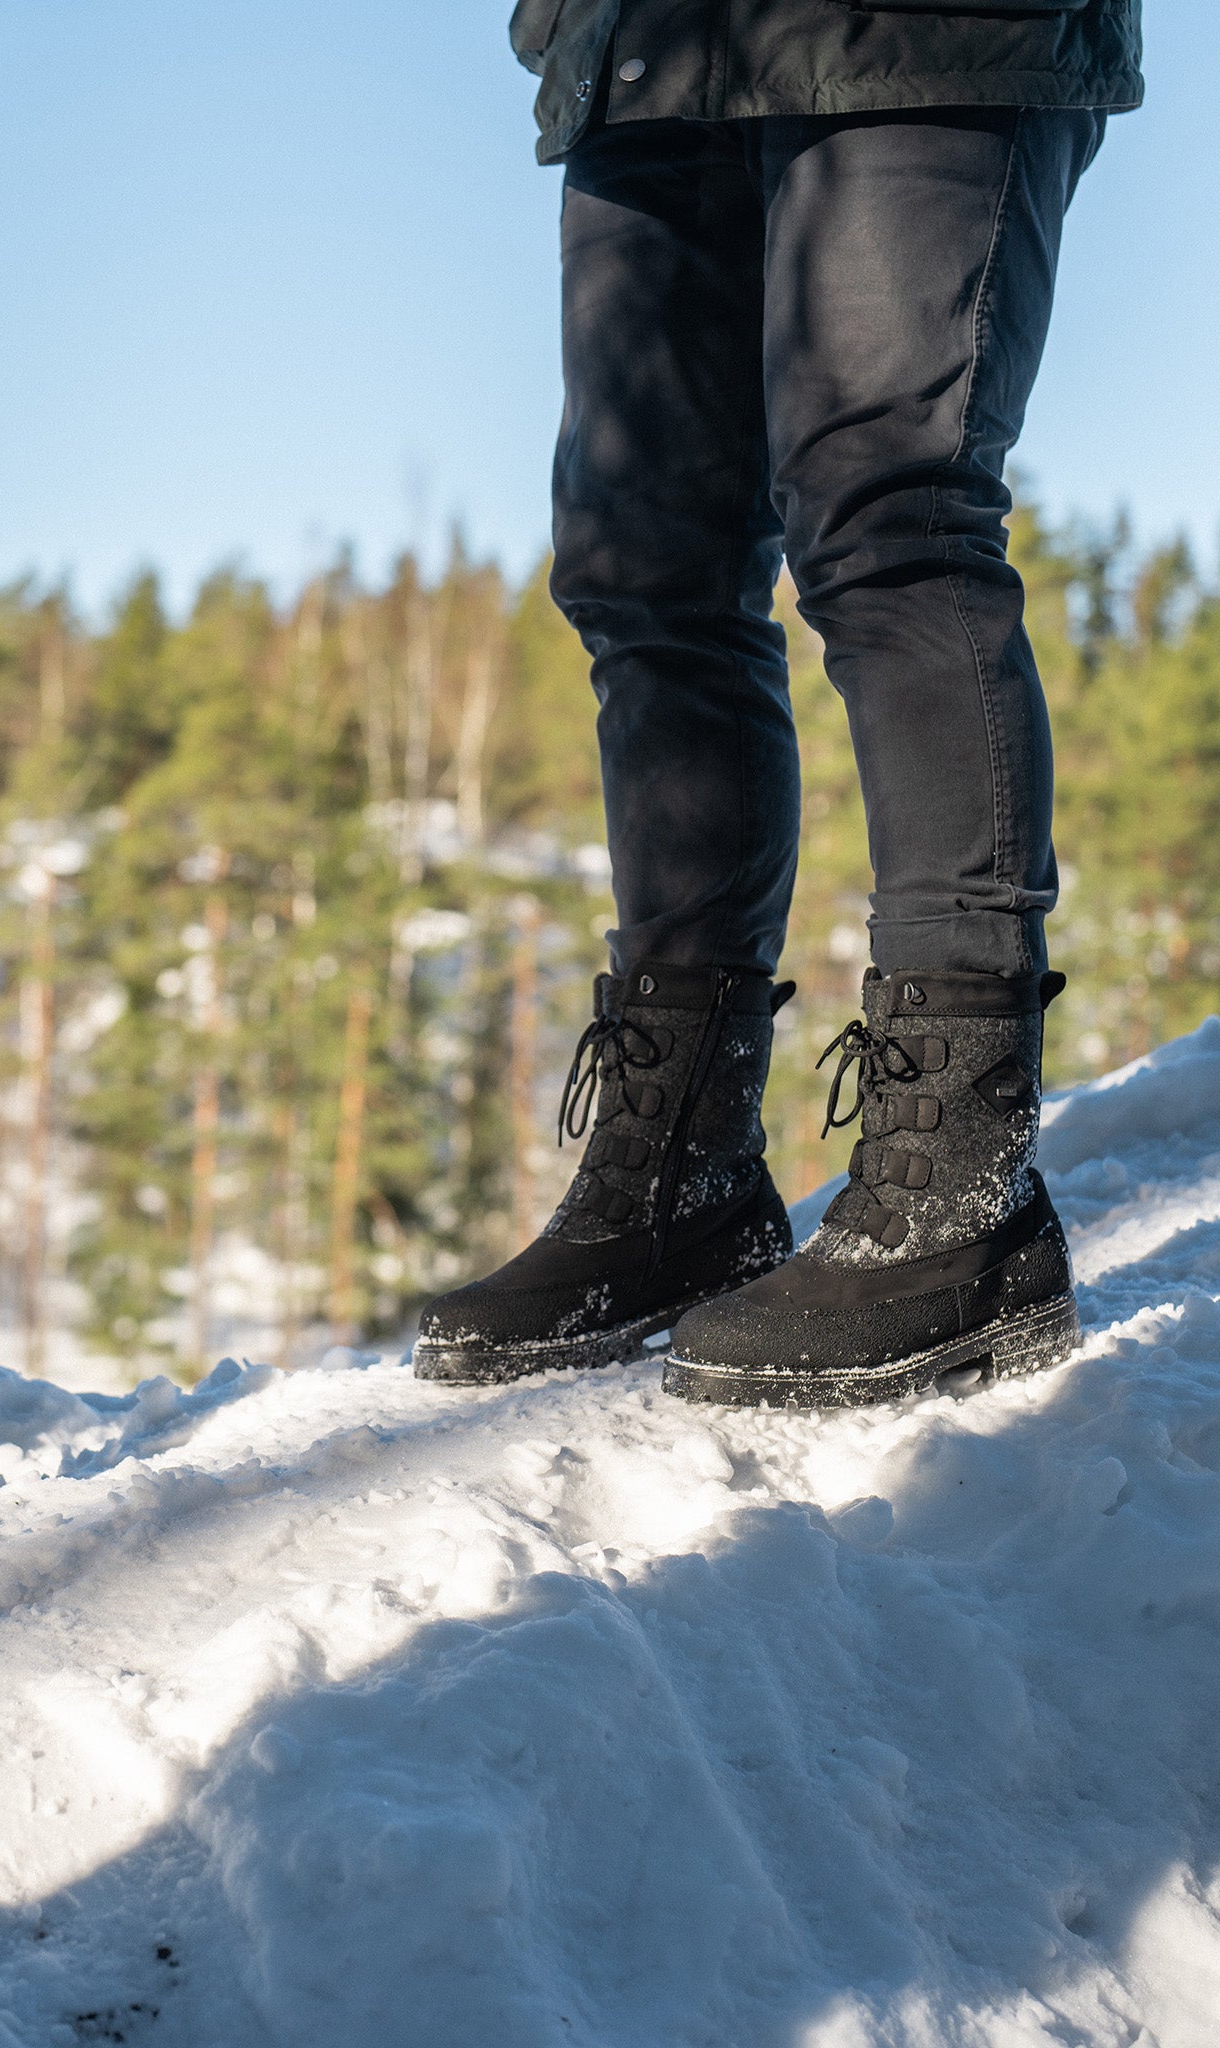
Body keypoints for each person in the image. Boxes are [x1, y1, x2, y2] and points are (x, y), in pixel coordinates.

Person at [414, 0, 1141, 1407]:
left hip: (914, 32)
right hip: (645, 45)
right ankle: (677, 1169)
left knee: (891, 518)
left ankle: (958, 1190)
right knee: (643, 572)